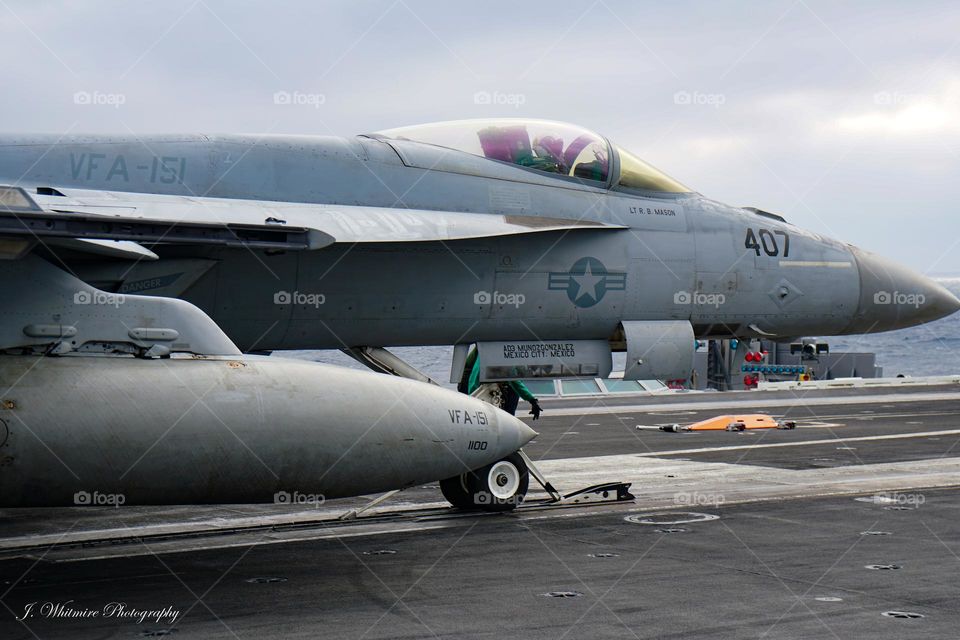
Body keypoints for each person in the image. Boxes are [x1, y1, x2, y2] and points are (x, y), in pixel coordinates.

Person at [459, 346, 542, 420]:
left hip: (476, 381)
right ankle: (508, 420)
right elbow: (514, 381)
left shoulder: (483, 346)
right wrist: (532, 400)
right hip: (473, 381)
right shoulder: (500, 352)